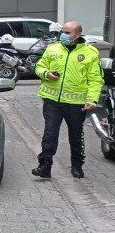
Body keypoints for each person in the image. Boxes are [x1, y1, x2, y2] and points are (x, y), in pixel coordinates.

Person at [32, 20, 103, 179]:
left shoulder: (90, 53)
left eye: (67, 32)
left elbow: (96, 79)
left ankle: (77, 165)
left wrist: (92, 99)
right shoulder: (53, 48)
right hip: (52, 100)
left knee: (76, 136)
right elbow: (39, 67)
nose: (62, 35)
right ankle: (45, 166)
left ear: (77, 35)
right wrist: (46, 73)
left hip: (76, 103)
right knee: (50, 134)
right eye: (62, 31)